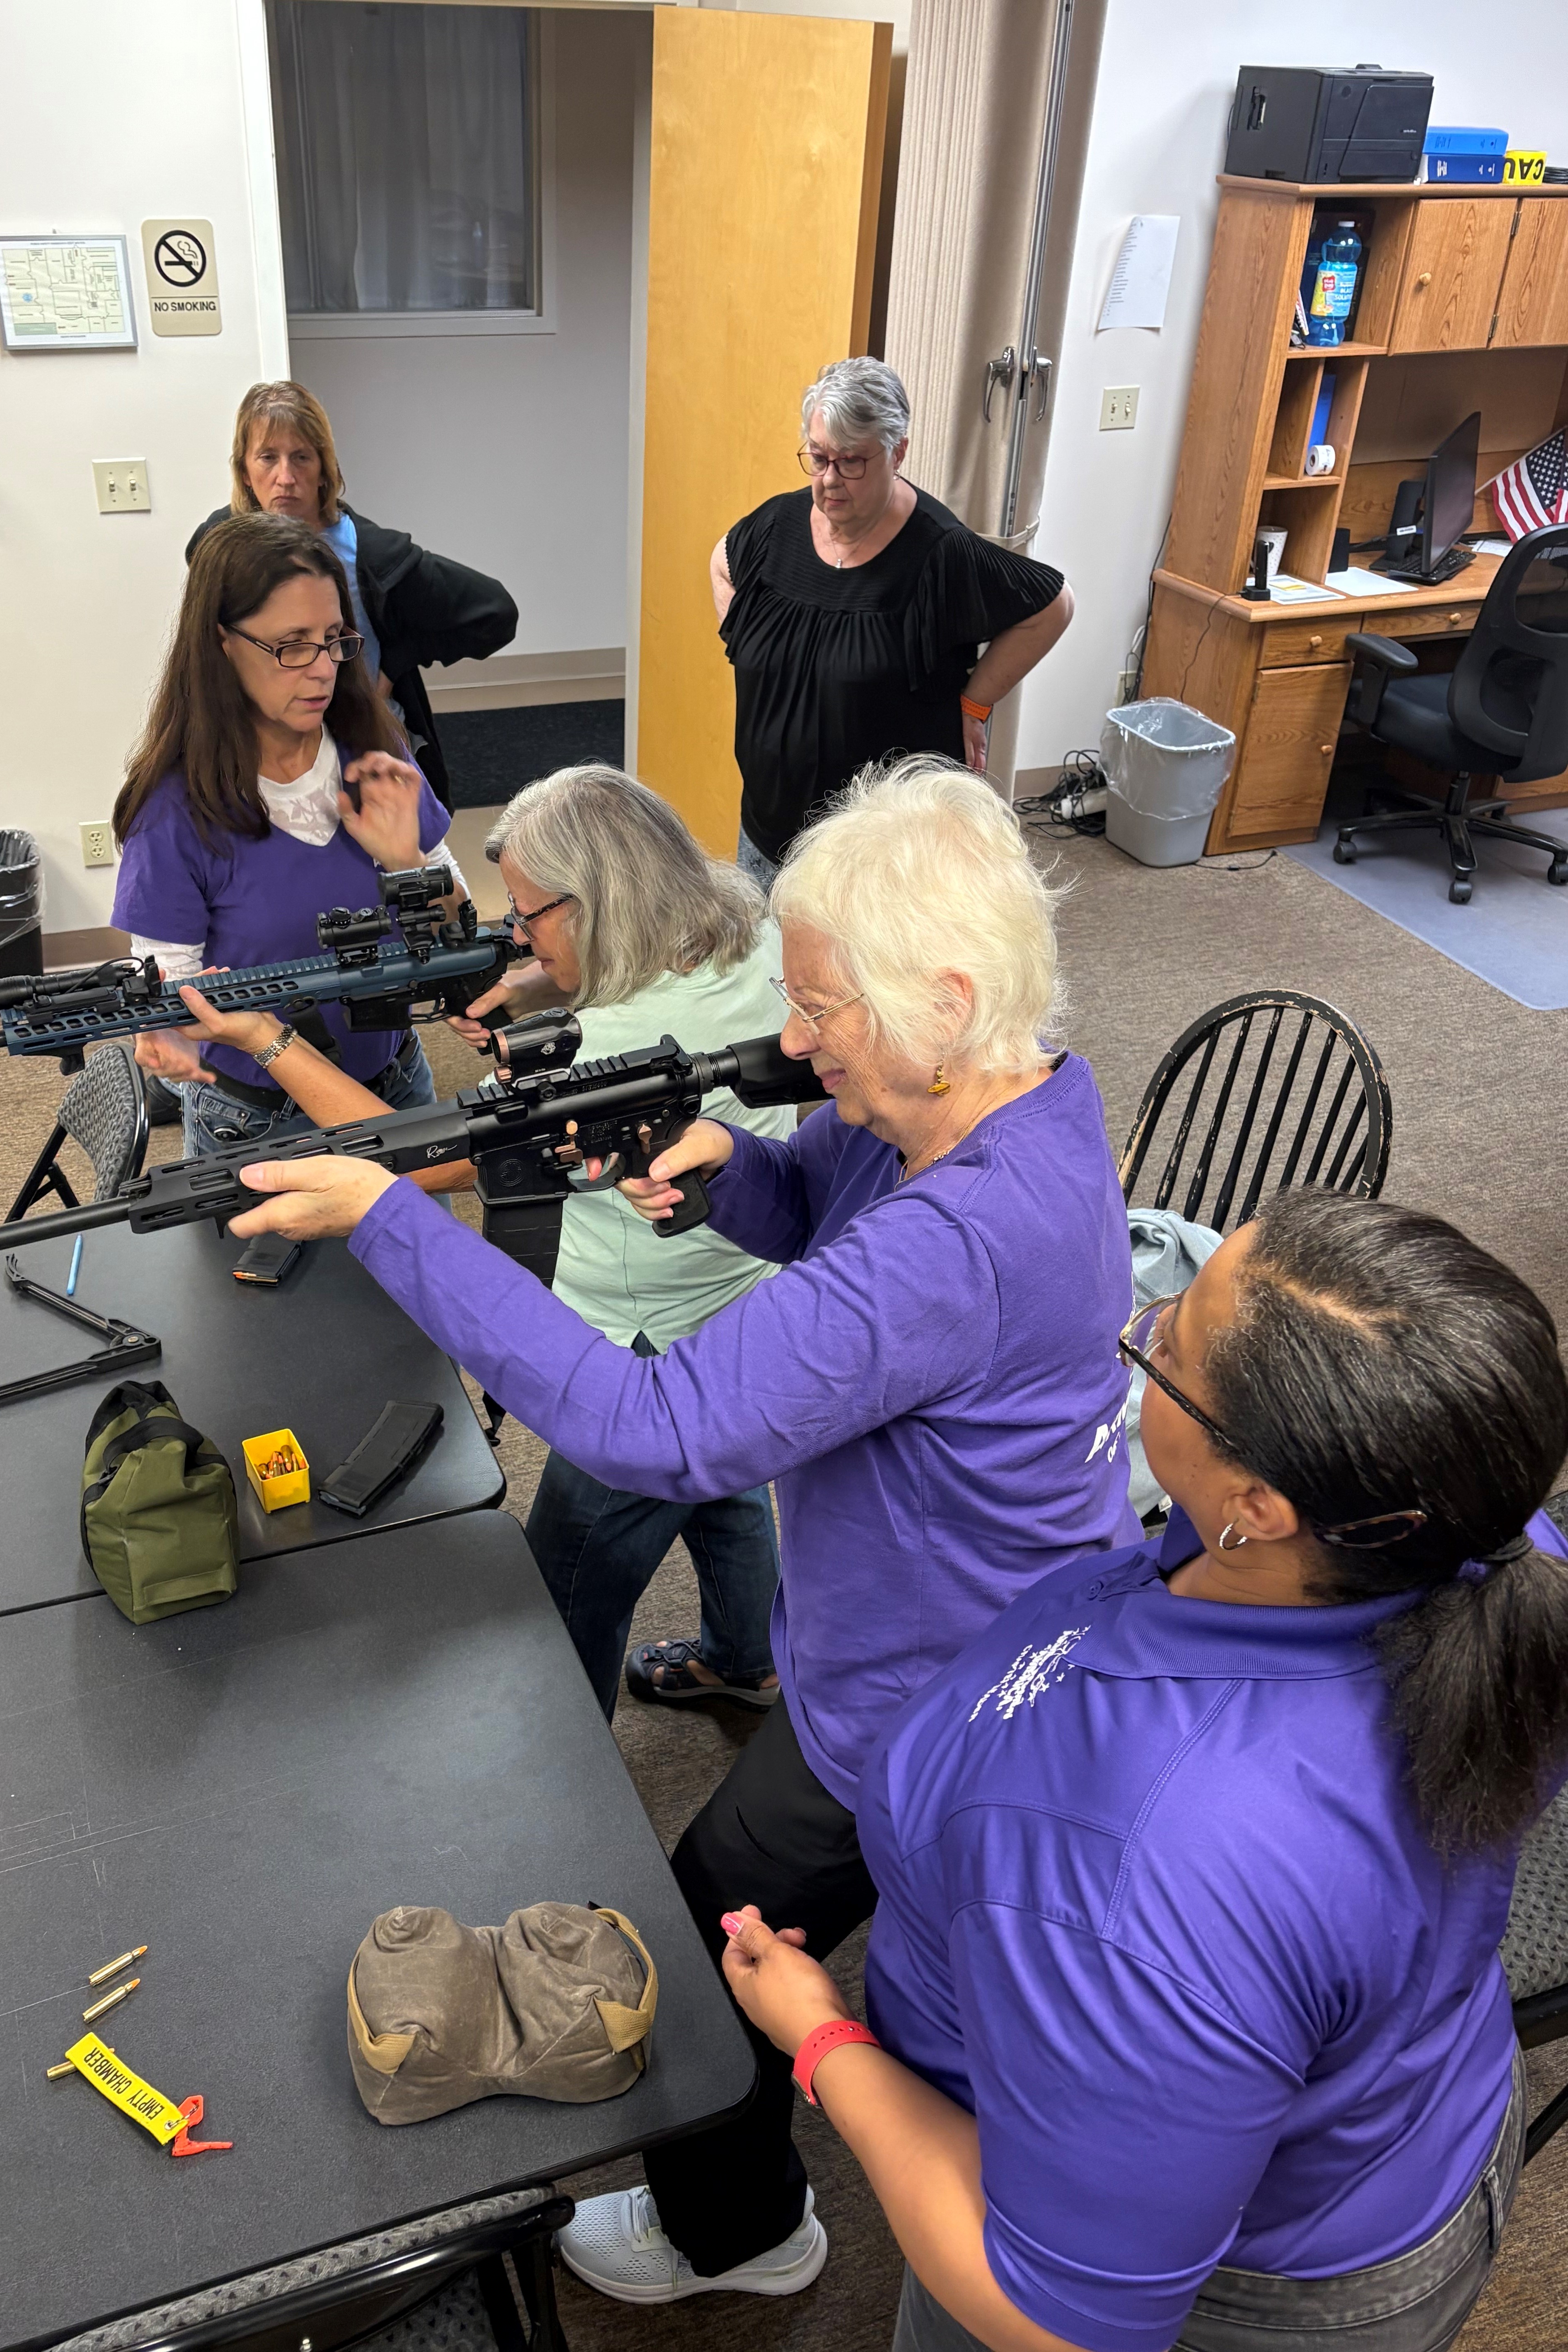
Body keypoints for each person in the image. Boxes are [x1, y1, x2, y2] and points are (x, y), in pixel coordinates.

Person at [217, 753, 1141, 2299]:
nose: (789, 1039)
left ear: (947, 993)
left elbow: (653, 1426)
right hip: (962, 1650)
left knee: (713, 1934)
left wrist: (387, 1216)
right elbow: (822, 1203)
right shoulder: (1012, 1100)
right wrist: (737, 1177)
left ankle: (741, 2233)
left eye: (822, 1009)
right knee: (790, 1924)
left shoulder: (959, 1239)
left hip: (926, 1707)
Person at [719, 1188, 1568, 2352]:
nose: (1153, 1319)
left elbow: (1053, 2319)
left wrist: (821, 2041)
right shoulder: (1486, 1545)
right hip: (1400, 2118)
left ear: (1256, 1508)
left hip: (1241, 2287)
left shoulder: (1145, 1874)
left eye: (1164, 1348)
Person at [173, 760, 799, 1719]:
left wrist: (268, 1042)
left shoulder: (605, 1053)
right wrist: (537, 989)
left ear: (595, 907)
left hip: (632, 1347)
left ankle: (573, 1790)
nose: (519, 936)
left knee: (564, 1594)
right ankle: (749, 1661)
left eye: (534, 917)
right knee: (723, 1484)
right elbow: (608, 979)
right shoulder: (748, 933)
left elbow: (412, 1163)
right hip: (739, 1304)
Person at [112, 511, 453, 1160]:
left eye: (334, 639)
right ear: (222, 643)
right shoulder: (174, 812)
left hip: (397, 1087)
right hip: (263, 1123)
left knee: (423, 1259)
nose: (323, 669)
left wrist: (406, 863)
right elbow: (175, 1001)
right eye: (292, 645)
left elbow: (453, 930)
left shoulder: (373, 749)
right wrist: (170, 1031)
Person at [714, 357, 1075, 889]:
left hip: (879, 866)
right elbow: (721, 562)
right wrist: (749, 641)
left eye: (852, 462)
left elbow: (1053, 606)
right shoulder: (776, 527)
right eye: (818, 458)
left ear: (897, 451)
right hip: (767, 840)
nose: (830, 480)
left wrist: (975, 703)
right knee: (768, 970)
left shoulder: (939, 553)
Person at [189, 379, 517, 809]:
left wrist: (396, 662)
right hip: (262, 753)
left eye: (302, 458)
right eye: (268, 458)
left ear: (325, 468)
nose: (285, 478)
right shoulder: (216, 544)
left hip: (361, 749)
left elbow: (495, 612)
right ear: (245, 470)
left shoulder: (372, 554)